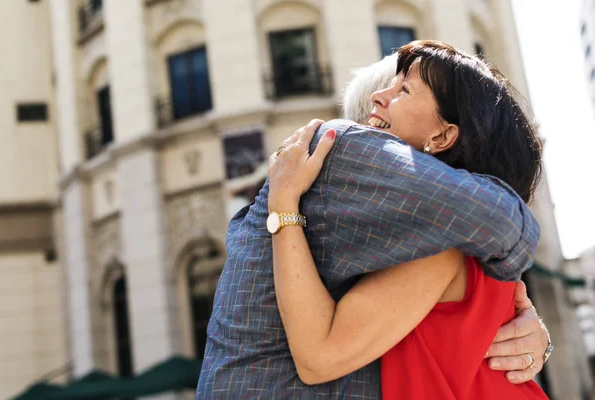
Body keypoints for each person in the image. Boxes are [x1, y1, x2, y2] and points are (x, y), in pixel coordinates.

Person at [196, 43, 551, 399]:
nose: (378, 101)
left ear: (442, 135)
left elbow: (320, 355)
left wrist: (284, 206)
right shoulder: (433, 234)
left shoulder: (440, 239)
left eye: (404, 90)